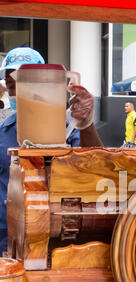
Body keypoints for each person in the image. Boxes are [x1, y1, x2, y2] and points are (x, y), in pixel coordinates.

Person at [0, 46, 103, 256]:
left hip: (59, 236)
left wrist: (86, 124)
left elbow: (96, 167)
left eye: (22, 83)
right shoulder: (3, 132)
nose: (16, 92)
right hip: (7, 240)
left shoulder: (66, 128)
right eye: (11, 86)